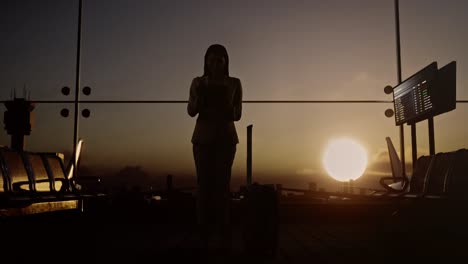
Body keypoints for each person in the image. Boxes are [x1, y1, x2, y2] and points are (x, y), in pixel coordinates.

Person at [187, 44, 242, 250]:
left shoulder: (234, 83)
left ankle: (222, 230)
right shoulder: (198, 82)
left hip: (226, 139)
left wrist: (225, 104)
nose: (215, 64)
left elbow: (237, 114)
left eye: (220, 60)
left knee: (222, 186)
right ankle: (203, 230)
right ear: (206, 62)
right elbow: (191, 110)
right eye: (211, 60)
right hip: (203, 139)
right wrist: (201, 97)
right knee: (204, 187)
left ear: (226, 62)